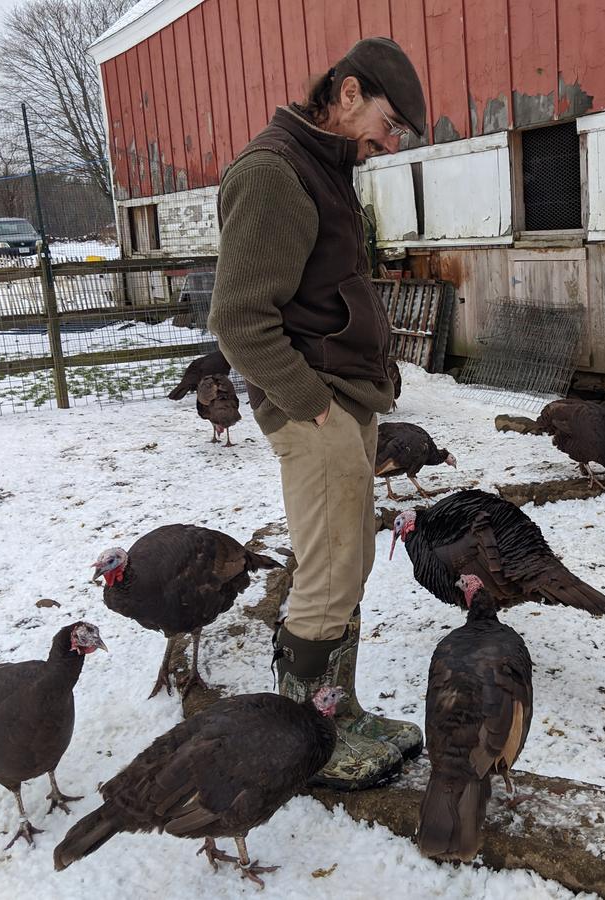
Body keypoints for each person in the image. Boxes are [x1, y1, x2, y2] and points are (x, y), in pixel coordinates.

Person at [207, 38, 426, 790]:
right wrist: (314, 407)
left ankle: (339, 707)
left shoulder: (325, 168)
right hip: (315, 409)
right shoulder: (273, 172)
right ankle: (308, 741)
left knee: (350, 559)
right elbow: (238, 320)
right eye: (388, 123)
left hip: (345, 401)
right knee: (329, 572)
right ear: (349, 92)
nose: (388, 142)